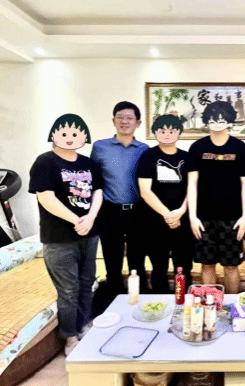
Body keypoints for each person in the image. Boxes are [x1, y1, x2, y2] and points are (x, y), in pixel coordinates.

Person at [29, 114, 103, 356]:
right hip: (59, 238)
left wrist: (91, 217)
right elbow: (46, 198)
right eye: (64, 134)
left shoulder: (89, 164)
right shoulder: (45, 162)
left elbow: (98, 192)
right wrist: (76, 220)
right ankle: (70, 337)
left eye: (75, 134)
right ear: (54, 135)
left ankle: (84, 325)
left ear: (84, 138)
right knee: (68, 289)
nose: (70, 138)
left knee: (87, 283)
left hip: (89, 234)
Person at [187, 101, 245, 294]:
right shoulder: (197, 147)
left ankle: (232, 305)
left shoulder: (239, 147)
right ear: (207, 120)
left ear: (230, 121)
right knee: (207, 265)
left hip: (232, 218)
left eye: (222, 119)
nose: (217, 123)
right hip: (203, 218)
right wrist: (192, 216)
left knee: (231, 266)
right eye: (213, 119)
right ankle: (210, 305)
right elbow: (192, 183)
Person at [90, 101, 150, 302]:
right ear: (113, 121)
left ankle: (139, 299)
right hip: (109, 211)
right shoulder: (100, 147)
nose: (125, 122)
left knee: (137, 259)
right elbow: (93, 179)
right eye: (120, 117)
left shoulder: (144, 149)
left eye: (129, 118)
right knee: (112, 258)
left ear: (138, 123)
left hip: (137, 211)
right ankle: (113, 301)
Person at [137, 114, 194, 293]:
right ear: (155, 133)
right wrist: (168, 215)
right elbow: (145, 190)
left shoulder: (187, 157)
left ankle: (183, 301)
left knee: (183, 267)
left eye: (172, 130)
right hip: (155, 222)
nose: (167, 134)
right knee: (159, 267)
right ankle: (159, 303)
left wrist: (180, 211)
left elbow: (192, 188)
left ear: (179, 133)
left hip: (183, 222)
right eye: (162, 131)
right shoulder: (148, 156)